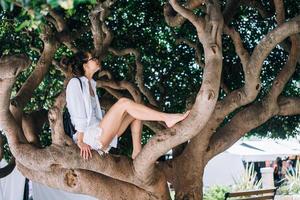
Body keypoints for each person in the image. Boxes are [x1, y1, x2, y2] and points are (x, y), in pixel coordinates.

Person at [66, 52, 190, 160]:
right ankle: (167, 118)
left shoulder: (91, 84)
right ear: (85, 65)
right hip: (91, 137)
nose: (97, 59)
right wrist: (81, 141)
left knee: (135, 110)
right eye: (93, 58)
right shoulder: (75, 83)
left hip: (102, 131)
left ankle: (136, 152)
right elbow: (78, 115)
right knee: (123, 103)